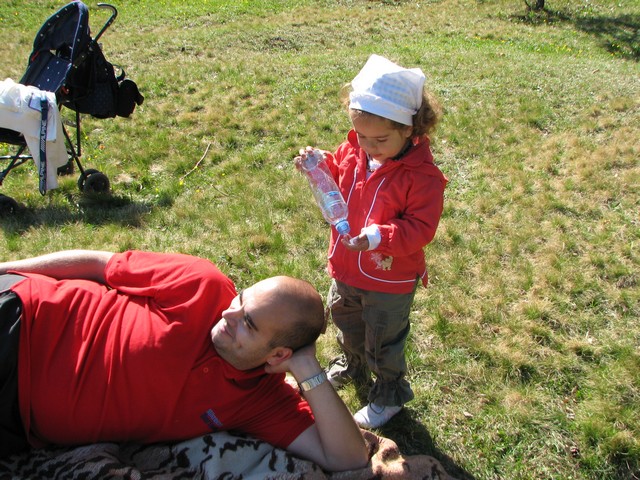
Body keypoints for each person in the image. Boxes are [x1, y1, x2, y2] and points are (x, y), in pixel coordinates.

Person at [0, 249, 368, 472]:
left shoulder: (262, 402)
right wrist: (5, 268)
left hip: (18, 423)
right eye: (241, 299)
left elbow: (348, 458)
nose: (229, 315)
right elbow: (101, 264)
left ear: (279, 355)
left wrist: (308, 369)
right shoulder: (201, 283)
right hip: (22, 322)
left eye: (248, 324)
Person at [295, 54, 447, 429]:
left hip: (388, 280)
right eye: (361, 135)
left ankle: (388, 395)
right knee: (347, 324)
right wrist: (320, 166)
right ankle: (352, 363)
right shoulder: (355, 151)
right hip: (346, 267)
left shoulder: (423, 177)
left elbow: (420, 228)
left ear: (409, 130)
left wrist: (378, 236)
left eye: (380, 139)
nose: (368, 146)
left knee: (383, 339)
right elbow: (339, 177)